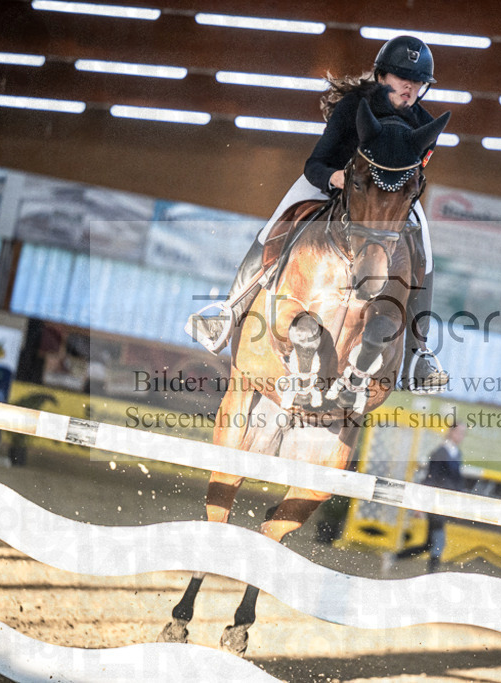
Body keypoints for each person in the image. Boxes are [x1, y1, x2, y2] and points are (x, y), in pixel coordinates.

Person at [185, 35, 449, 391]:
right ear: (383, 75)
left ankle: (420, 351)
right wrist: (334, 176)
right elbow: (315, 163)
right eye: (405, 78)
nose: (411, 87)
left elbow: (415, 178)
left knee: (425, 249)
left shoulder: (424, 126)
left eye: (418, 82)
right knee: (279, 219)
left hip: (385, 203)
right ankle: (229, 311)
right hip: (333, 183)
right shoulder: (353, 105)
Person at [396, 422, 466, 571]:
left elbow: (457, 482)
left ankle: (394, 557)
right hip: (435, 501)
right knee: (439, 541)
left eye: (463, 433)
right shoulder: (439, 453)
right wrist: (420, 505)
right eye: (459, 432)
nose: (461, 436)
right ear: (451, 432)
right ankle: (432, 575)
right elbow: (430, 478)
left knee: (429, 544)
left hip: (446, 502)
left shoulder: (456, 453)